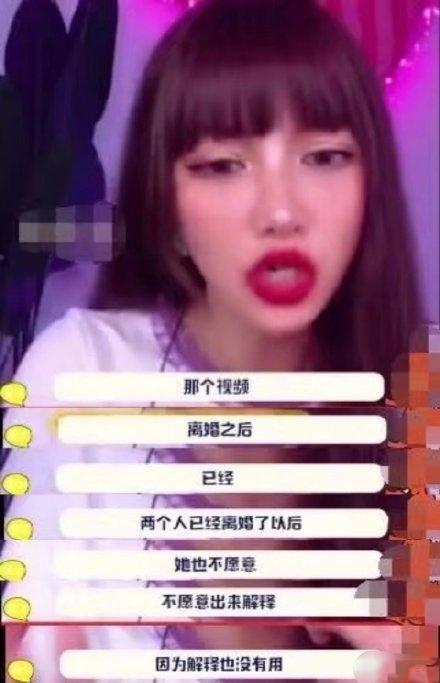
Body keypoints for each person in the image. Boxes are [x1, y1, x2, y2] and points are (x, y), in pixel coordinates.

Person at [2, 0, 429, 681]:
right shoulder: (82, 373)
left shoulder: (421, 417)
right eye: (224, 164)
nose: (281, 212)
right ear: (166, 202)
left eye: (324, 157)